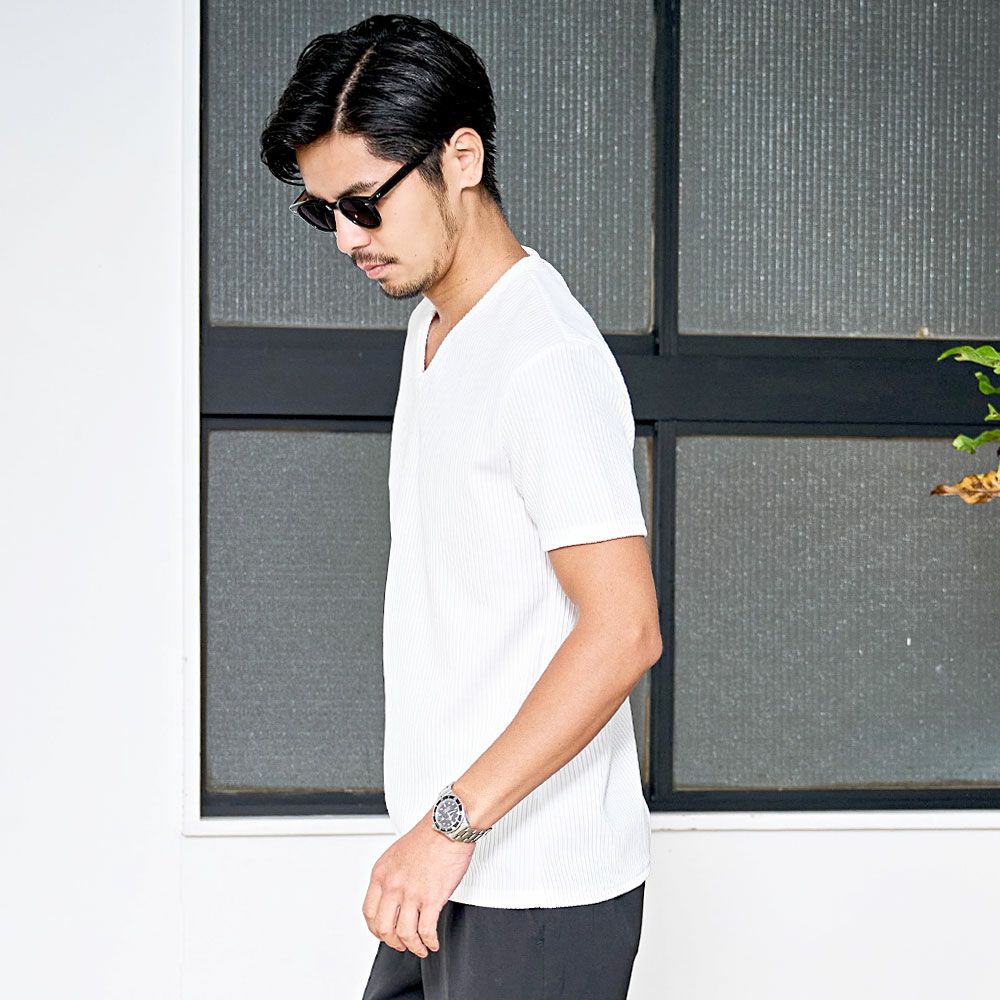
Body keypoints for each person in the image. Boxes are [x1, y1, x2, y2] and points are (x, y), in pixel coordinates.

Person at [260, 14, 661, 999]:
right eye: (324, 213)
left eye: (364, 204)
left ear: (462, 158)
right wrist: (438, 834)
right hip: (454, 862)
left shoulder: (544, 359)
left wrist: (449, 825)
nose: (348, 239)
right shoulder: (439, 327)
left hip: (533, 889)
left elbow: (624, 630)